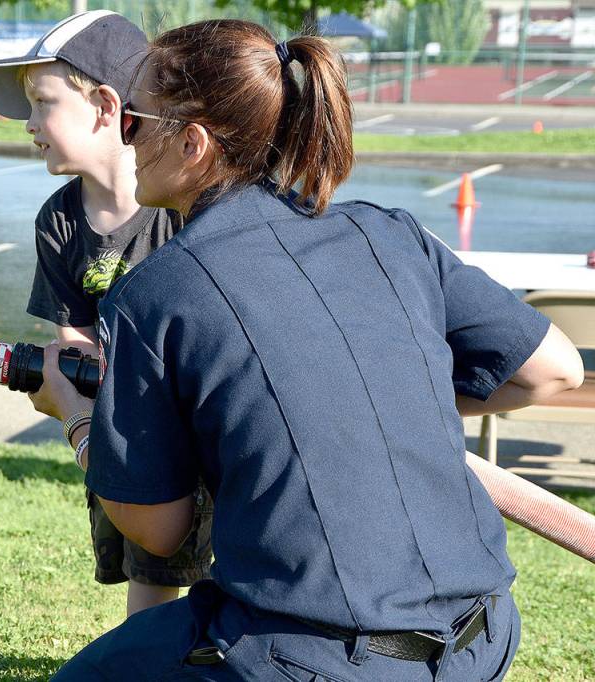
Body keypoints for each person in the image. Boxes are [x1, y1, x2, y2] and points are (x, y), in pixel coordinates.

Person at [29, 19, 585, 681]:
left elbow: (158, 531)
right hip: (483, 641)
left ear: (194, 142)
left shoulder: (156, 295)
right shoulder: (390, 234)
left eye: (134, 122)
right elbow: (554, 369)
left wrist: (73, 413)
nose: (125, 140)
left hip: (315, 657)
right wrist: (370, 397)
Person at [0, 10, 212, 618]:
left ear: (106, 107)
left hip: (203, 422)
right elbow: (74, 341)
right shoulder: (58, 222)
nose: (27, 124)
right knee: (146, 563)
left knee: (217, 560)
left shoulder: (184, 205)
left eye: (41, 103)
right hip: (122, 423)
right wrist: (70, 387)